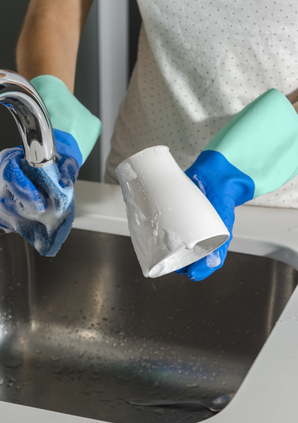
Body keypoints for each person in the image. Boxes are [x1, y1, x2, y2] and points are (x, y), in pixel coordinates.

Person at [12, 0, 298, 279]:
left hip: (282, 204)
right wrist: (51, 116)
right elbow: (57, 13)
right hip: (141, 182)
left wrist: (256, 153)